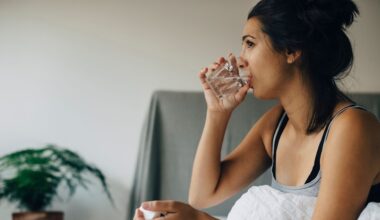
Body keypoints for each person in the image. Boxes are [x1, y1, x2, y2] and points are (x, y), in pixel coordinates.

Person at [134, 0, 380, 219]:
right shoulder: (277, 123)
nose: (241, 61)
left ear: (291, 51)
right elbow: (203, 195)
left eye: (250, 44)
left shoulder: (353, 127)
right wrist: (218, 113)